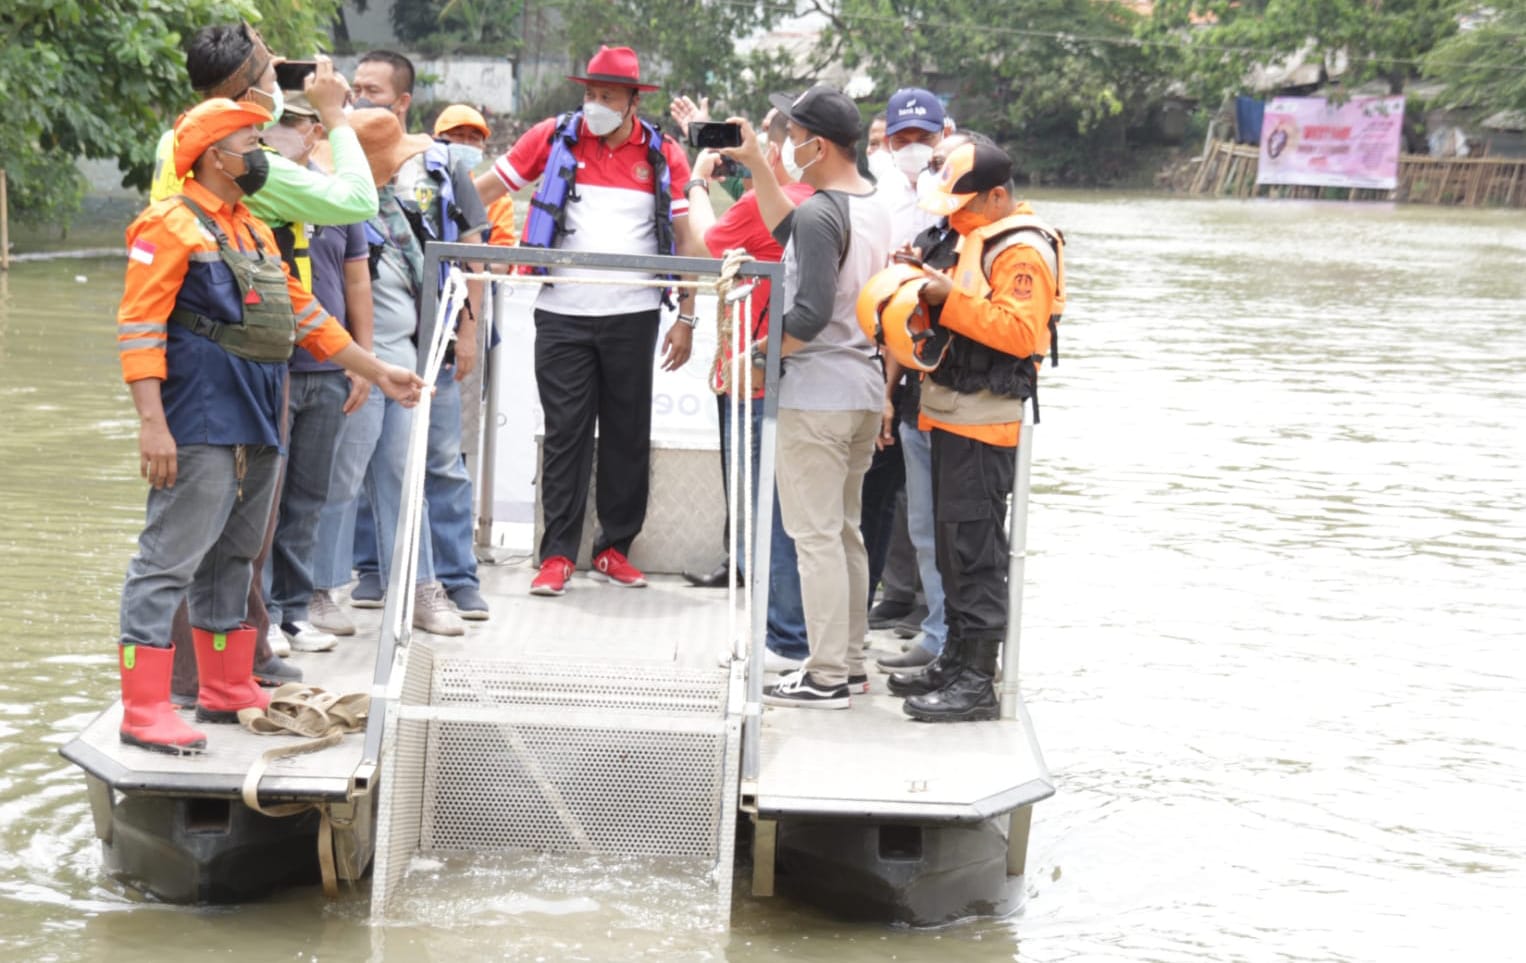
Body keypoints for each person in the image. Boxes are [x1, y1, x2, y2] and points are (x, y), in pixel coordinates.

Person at [114, 99, 424, 755]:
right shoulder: (168, 225)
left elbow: (305, 313)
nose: (261, 151)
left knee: (234, 553)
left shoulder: (252, 227)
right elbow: (138, 330)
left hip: (259, 409)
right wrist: (152, 425)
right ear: (212, 155)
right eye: (250, 140)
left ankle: (226, 686)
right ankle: (144, 708)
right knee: (167, 559)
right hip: (199, 415)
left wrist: (378, 369)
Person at [159, 23, 381, 703]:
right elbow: (357, 202)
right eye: (268, 70)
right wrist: (337, 117)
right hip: (238, 361)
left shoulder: (177, 142)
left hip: (211, 352)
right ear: (245, 90)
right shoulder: (243, 162)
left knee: (228, 523)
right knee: (213, 529)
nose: (279, 80)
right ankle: (196, 677)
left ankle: (235, 659)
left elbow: (294, 295)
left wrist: (359, 360)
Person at [473, 45, 700, 597]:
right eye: (589, 94)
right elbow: (484, 190)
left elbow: (690, 239)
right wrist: (444, 221)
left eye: (607, 96)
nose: (594, 104)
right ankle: (557, 555)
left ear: (631, 103)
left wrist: (687, 317)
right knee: (565, 434)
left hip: (634, 314)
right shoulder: (554, 137)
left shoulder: (662, 153)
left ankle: (614, 548)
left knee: (627, 434)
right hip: (561, 314)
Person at [721, 85, 892, 709]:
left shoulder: (825, 212)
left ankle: (823, 676)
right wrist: (760, 166)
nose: (788, 145)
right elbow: (795, 231)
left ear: (818, 145)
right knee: (844, 532)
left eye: (793, 137)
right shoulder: (866, 203)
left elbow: (811, 311)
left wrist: (758, 358)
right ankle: (847, 663)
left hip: (817, 392)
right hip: (861, 388)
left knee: (815, 535)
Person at [896, 142, 1063, 723]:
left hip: (985, 423)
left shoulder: (1022, 250)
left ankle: (977, 681)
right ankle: (955, 658)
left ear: (997, 196)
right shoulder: (975, 236)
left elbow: (1020, 334)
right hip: (949, 412)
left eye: (963, 204)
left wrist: (949, 298)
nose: (953, 216)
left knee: (976, 552)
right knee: (950, 549)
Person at [348, 54, 493, 621]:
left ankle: (456, 577)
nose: (361, 98)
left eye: (373, 90)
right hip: (372, 343)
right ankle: (375, 570)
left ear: (402, 102)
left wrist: (468, 331)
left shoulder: (441, 165)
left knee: (440, 460)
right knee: (371, 460)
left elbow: (474, 252)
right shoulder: (341, 162)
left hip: (434, 337)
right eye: (355, 88)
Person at [680, 107, 814, 673]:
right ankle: (794, 630)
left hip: (753, 373)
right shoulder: (817, 204)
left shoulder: (764, 206)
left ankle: (784, 637)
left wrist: (695, 179)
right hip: (786, 375)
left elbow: (701, 243)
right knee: (787, 512)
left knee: (763, 511)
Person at [261, 92, 376, 647]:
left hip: (327, 363)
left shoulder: (336, 195)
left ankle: (293, 610)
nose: (291, 132)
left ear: (315, 132)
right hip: (271, 362)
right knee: (264, 495)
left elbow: (358, 281)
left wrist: (364, 361)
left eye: (300, 122)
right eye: (279, 121)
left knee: (309, 494)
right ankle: (256, 613)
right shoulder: (254, 186)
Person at [874, 95, 960, 673]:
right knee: (909, 506)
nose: (912, 149)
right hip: (897, 359)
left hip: (961, 386)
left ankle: (952, 629)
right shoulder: (878, 190)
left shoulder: (974, 217)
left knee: (955, 518)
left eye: (922, 139)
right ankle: (919, 612)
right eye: (900, 138)